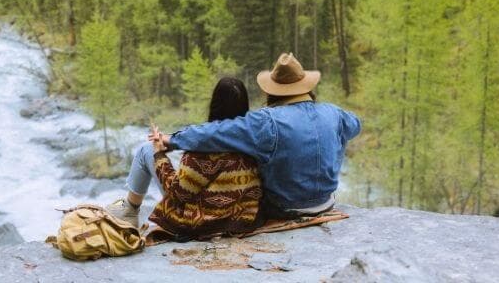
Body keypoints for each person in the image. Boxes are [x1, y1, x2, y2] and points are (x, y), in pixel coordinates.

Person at [150, 53, 361, 220]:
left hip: (284, 207)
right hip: (326, 202)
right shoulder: (334, 113)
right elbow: (355, 125)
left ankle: (127, 207)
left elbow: (216, 132)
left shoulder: (267, 121)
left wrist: (172, 139)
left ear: (273, 92)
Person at [106, 77, 262, 238]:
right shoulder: (253, 138)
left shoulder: (202, 146)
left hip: (201, 224)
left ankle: (130, 211)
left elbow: (179, 193)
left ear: (214, 103)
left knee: (146, 150)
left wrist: (159, 154)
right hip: (241, 218)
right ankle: (129, 210)